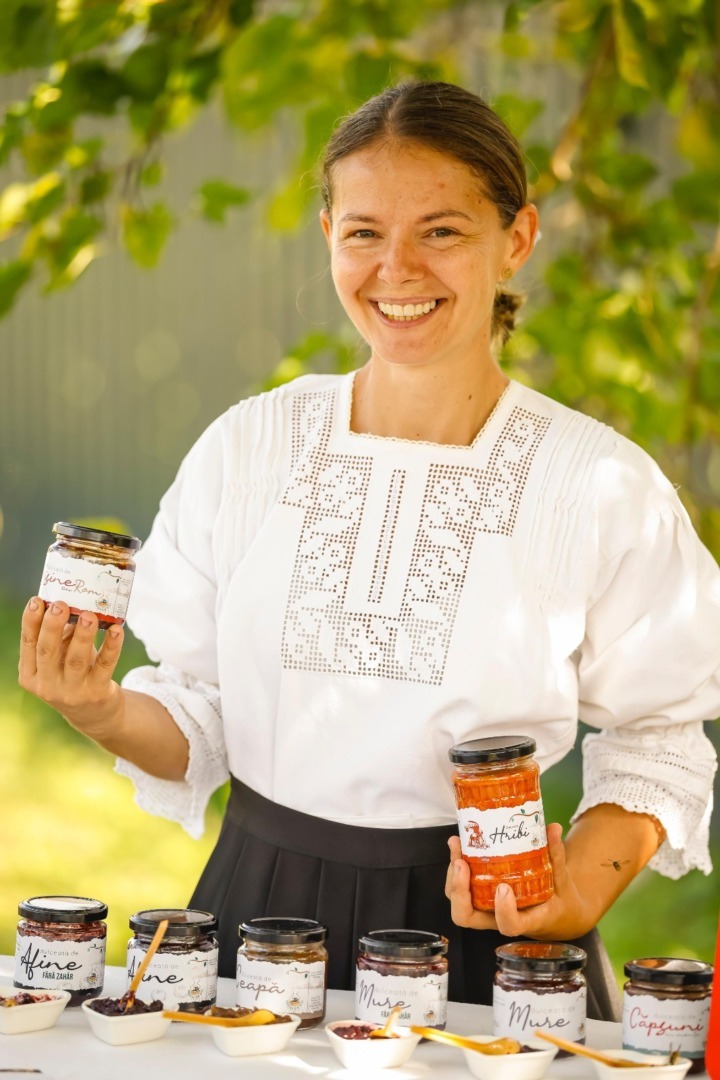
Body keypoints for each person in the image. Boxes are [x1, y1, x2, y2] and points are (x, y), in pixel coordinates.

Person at [18, 81, 720, 1021]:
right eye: (363, 232)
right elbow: (198, 711)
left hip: (485, 932)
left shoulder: (597, 482)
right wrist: (98, 707)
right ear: (327, 235)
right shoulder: (252, 445)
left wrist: (569, 900)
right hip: (253, 913)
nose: (397, 268)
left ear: (516, 238)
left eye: (441, 230)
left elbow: (659, 740)